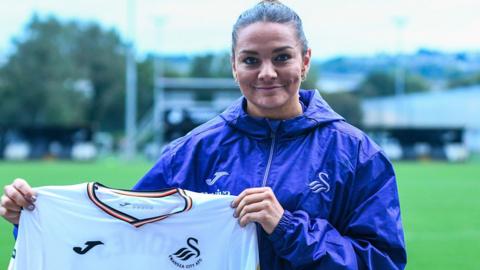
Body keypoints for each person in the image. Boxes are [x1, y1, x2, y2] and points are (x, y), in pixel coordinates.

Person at [1, 0, 407, 269]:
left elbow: (384, 262)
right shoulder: (194, 150)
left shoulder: (355, 153)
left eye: (281, 57)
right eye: (251, 60)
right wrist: (35, 217)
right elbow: (123, 236)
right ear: (234, 66)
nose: (267, 73)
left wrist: (287, 227)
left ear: (305, 60)